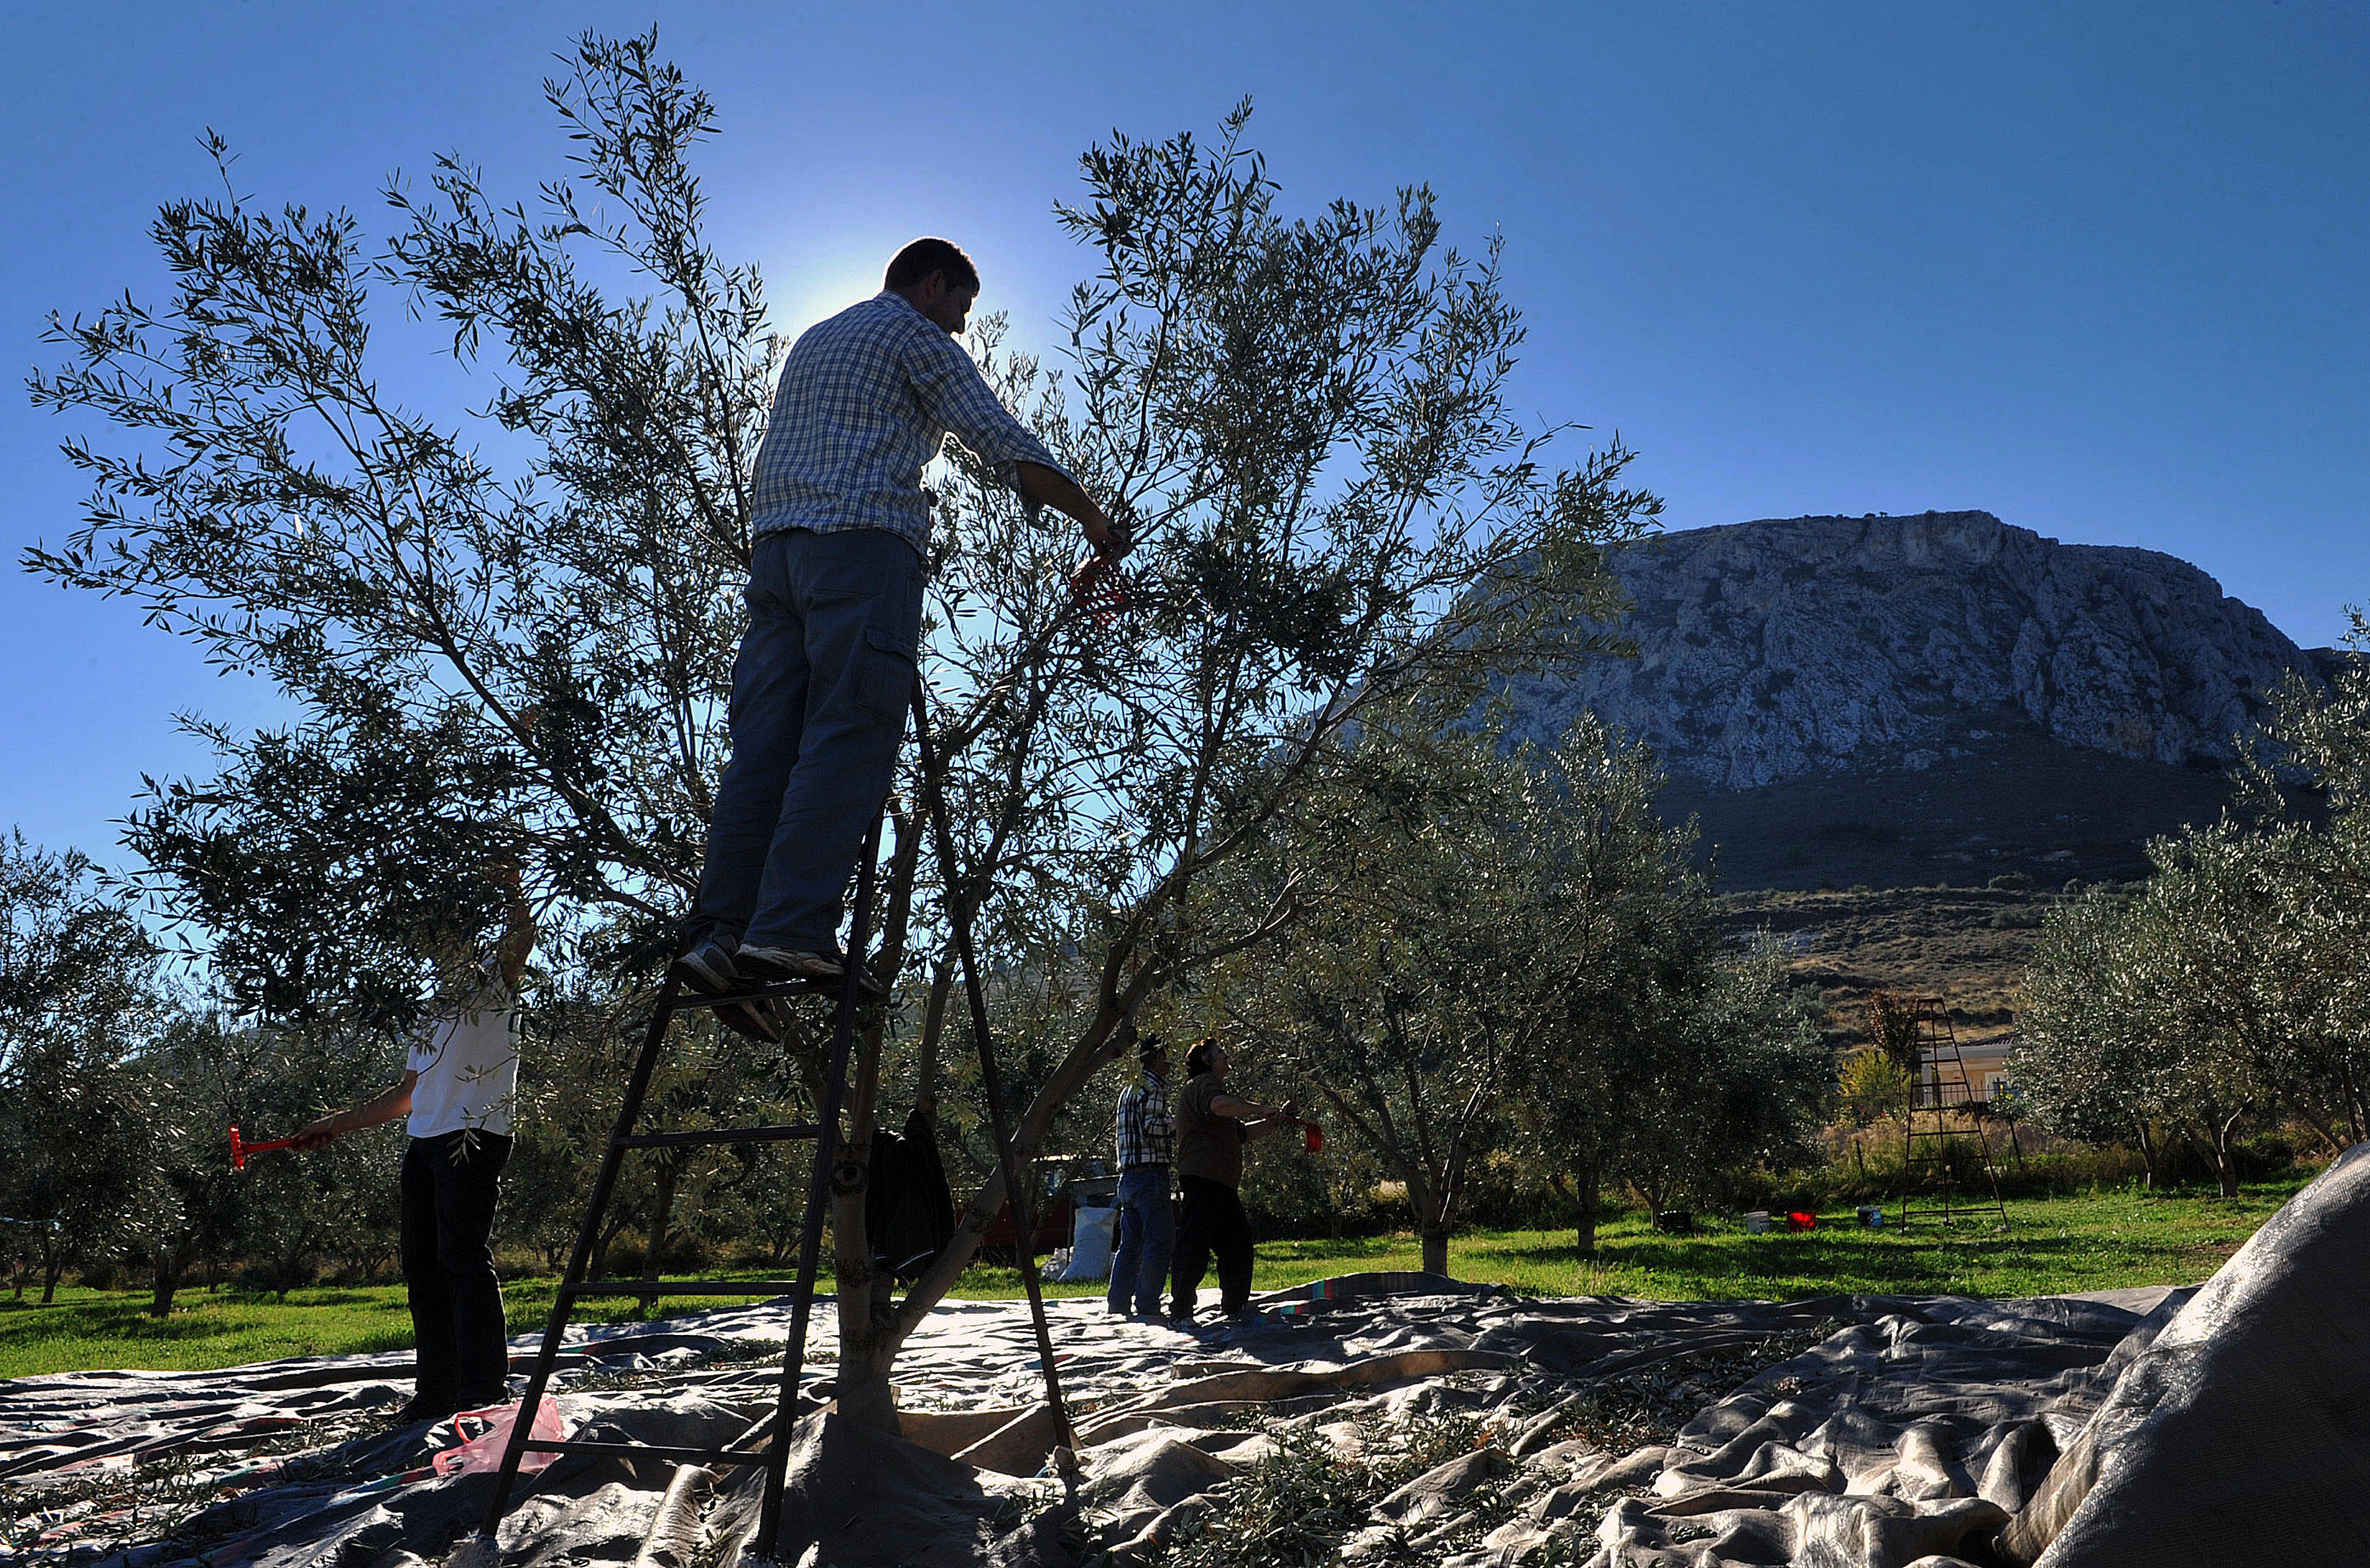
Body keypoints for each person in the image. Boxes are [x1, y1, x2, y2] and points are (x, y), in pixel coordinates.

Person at [674, 237, 1126, 1031]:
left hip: (777, 559)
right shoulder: (914, 336)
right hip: (861, 551)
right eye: (960, 308)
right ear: (932, 284)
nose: (960, 328)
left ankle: (720, 937)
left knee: (764, 750)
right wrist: (1092, 519)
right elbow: (1005, 444)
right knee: (849, 732)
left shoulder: (817, 337)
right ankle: (789, 932)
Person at [293, 864, 535, 1423]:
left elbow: (521, 940)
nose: (428, 948)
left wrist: (511, 886)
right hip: (423, 1142)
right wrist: (334, 1122)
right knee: (423, 1268)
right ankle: (435, 1394)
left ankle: (481, 1393)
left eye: (437, 937)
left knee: (463, 1260)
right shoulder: (430, 1008)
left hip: (474, 1136)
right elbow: (407, 1095)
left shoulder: (493, 982)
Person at [1168, 1037, 1302, 1324]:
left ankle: (1235, 1308)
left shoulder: (1214, 1096)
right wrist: (1258, 1106)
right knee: (1194, 1246)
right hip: (1204, 1180)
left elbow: (1243, 1135)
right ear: (1207, 1061)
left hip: (1220, 1184)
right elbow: (1219, 1105)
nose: (1227, 1058)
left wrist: (1277, 1119)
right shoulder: (1204, 1085)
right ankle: (1180, 1314)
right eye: (1221, 1054)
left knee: (1237, 1244)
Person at [1107, 1033, 1175, 1319]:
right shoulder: (1154, 1087)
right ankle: (1148, 1305)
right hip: (1150, 1175)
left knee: (1129, 1244)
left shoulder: (1129, 1090)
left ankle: (1118, 1303)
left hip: (1127, 1177)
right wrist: (1176, 1123)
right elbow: (1152, 1128)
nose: (1169, 1063)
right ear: (1157, 1057)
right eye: (1166, 1056)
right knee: (1158, 1241)